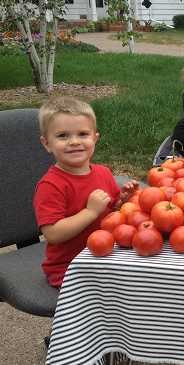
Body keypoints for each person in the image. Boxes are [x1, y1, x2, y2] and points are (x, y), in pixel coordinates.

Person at [34, 96, 139, 289]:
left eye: (82, 134)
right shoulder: (50, 185)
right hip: (69, 267)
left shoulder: (104, 173)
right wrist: (90, 212)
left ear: (95, 139)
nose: (74, 142)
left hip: (106, 257)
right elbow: (53, 234)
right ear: (47, 143)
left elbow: (112, 214)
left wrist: (122, 203)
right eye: (63, 136)